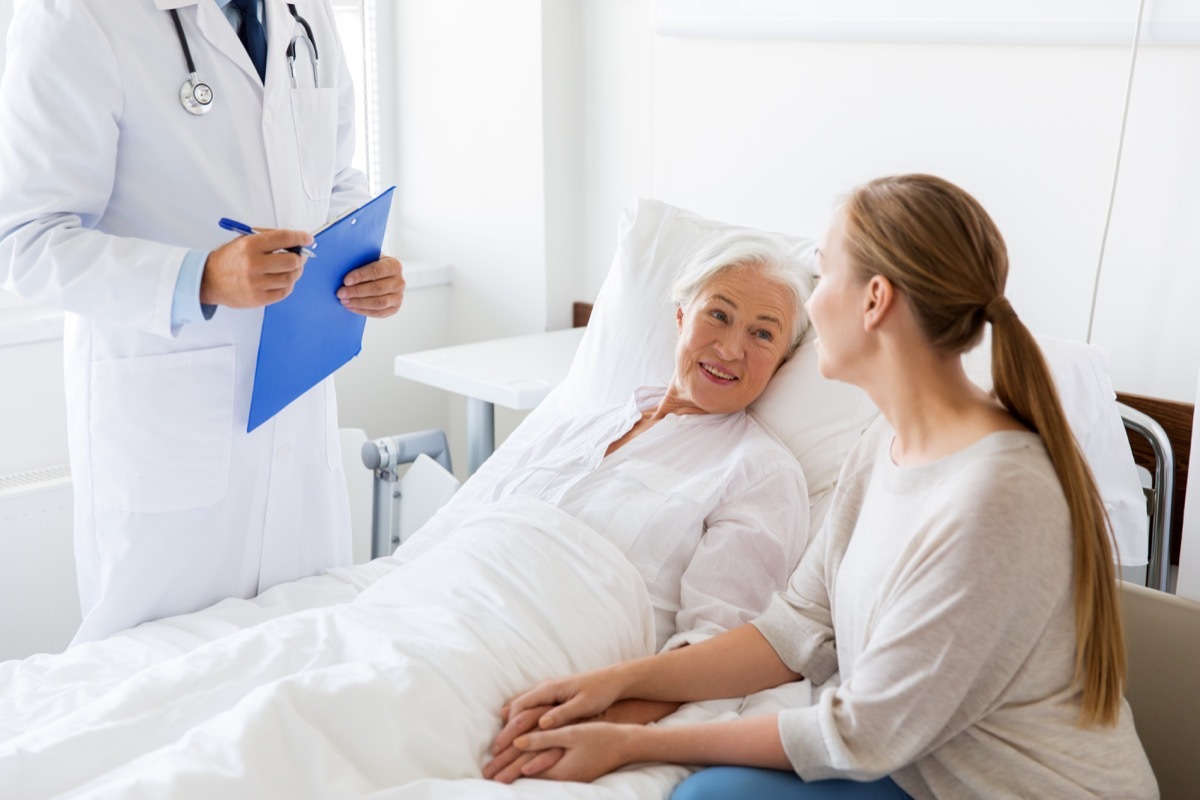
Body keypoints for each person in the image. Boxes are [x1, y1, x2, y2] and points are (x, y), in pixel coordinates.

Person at [0, 233, 816, 796]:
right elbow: (468, 520)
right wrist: (371, 595)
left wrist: (619, 734)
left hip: (523, 646)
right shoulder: (583, 417)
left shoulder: (759, 472)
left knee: (290, 727)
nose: (731, 346)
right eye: (719, 313)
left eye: (763, 333)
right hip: (414, 600)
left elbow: (717, 647)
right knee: (198, 682)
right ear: (679, 316)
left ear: (781, 363)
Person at [491, 174, 1159, 799]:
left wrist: (628, 743)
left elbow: (862, 730)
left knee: (704, 795)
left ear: (874, 301)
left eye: (824, 273)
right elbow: (796, 631)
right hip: (924, 771)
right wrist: (609, 686)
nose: (810, 301)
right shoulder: (884, 445)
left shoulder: (1000, 496)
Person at [0, 0, 405, 645]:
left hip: (294, 409)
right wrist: (199, 277)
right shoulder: (76, 16)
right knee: (157, 681)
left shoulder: (305, 15)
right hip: (168, 432)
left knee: (305, 661)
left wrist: (364, 259)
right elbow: (26, 239)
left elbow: (336, 177)